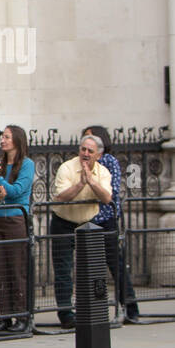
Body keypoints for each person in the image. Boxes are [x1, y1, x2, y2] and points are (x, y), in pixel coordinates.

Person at [50, 134, 113, 329]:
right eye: (83, 149)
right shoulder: (67, 168)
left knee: (91, 269)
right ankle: (66, 314)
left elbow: (107, 199)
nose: (85, 153)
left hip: (88, 223)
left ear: (99, 155)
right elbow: (61, 196)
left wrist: (92, 181)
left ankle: (91, 310)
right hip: (64, 222)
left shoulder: (103, 172)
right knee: (63, 271)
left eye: (90, 151)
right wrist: (80, 184)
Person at [82, 124, 140, 324]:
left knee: (116, 263)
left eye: (90, 140)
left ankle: (130, 306)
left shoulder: (108, 161)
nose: (86, 147)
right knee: (91, 267)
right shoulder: (79, 163)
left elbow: (111, 194)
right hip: (87, 220)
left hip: (105, 218)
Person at [0, 125, 35, 333]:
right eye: (2, 137)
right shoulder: (0, 164)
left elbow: (15, 192)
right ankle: (5, 315)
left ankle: (22, 315)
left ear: (17, 140)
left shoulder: (27, 164)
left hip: (16, 218)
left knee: (16, 269)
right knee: (2, 270)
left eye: (6, 137)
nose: (2, 140)